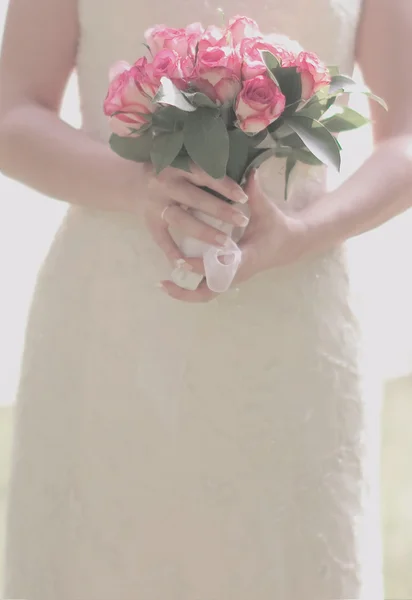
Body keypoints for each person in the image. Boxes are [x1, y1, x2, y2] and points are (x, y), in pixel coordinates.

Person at [0, 0, 411, 597]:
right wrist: (140, 185)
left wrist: (304, 234)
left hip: (298, 317)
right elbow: (12, 109)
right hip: (115, 314)